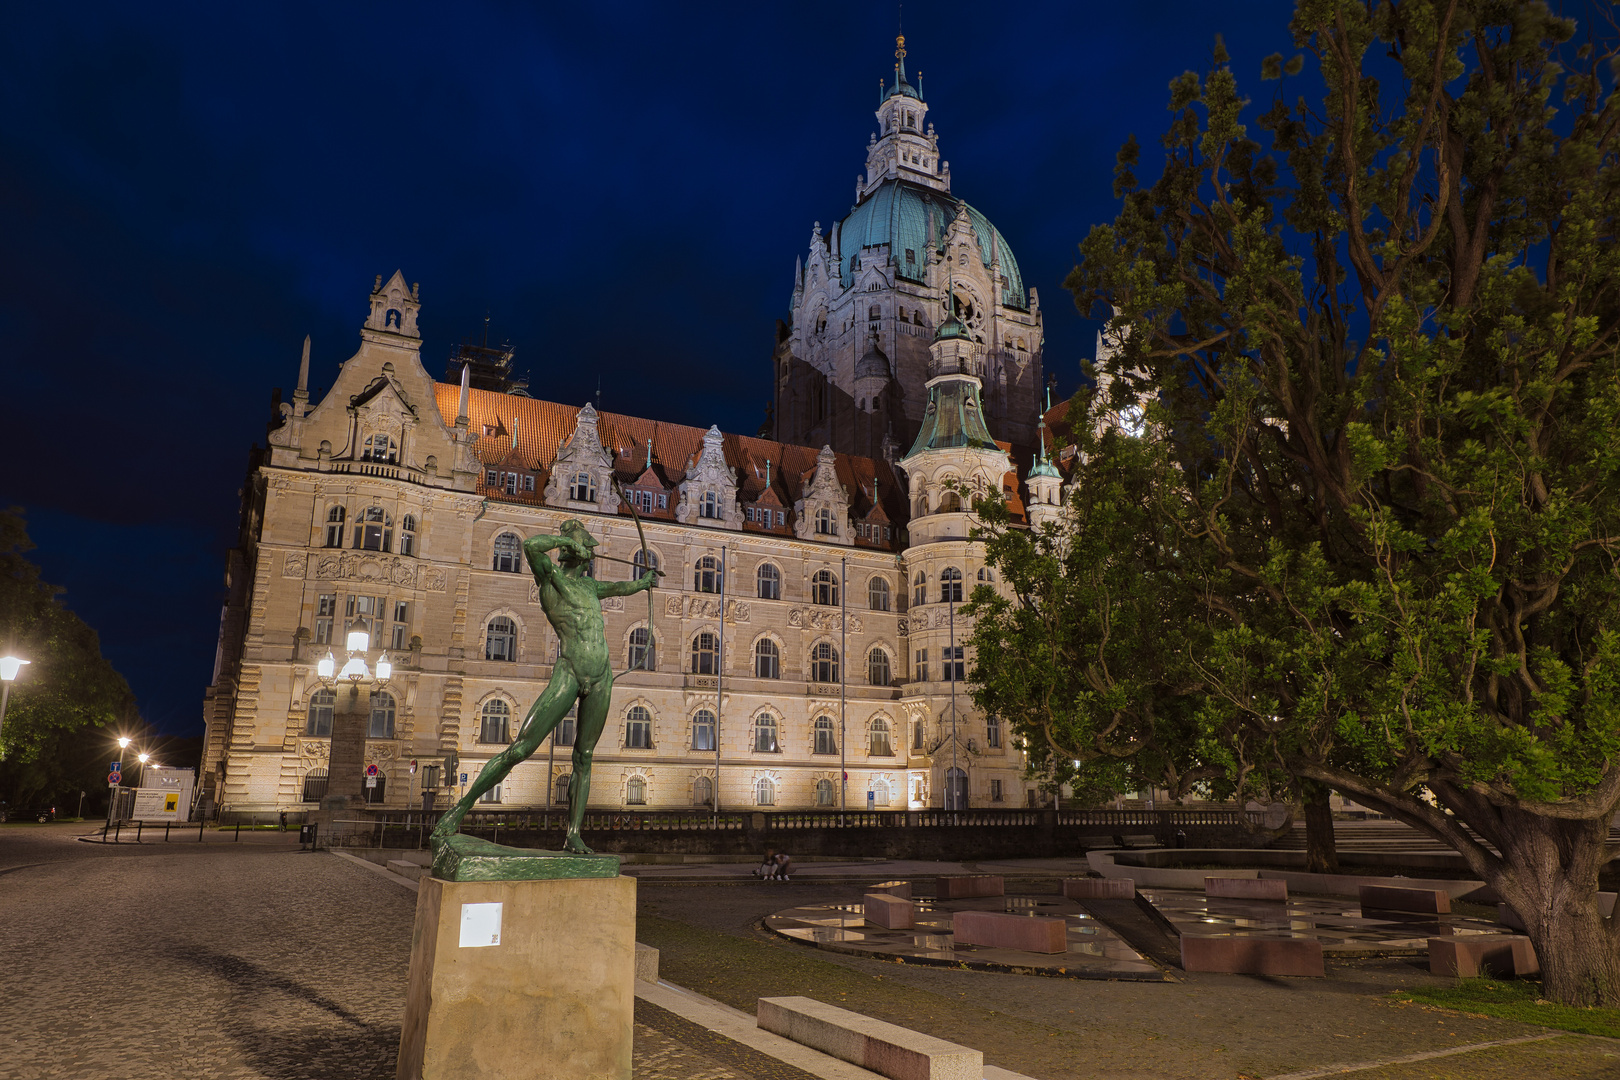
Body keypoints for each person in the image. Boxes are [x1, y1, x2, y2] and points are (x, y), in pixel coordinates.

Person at [430, 520, 656, 854]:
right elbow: (532, 545)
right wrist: (565, 539)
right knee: (521, 749)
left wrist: (643, 582)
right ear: (572, 551)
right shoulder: (550, 579)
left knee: (585, 756)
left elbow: (621, 588)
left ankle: (574, 834)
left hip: (601, 677)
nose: (589, 554)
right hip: (570, 671)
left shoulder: (591, 587)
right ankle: (457, 811)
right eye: (585, 548)